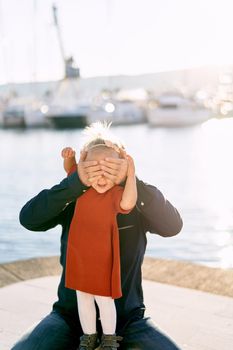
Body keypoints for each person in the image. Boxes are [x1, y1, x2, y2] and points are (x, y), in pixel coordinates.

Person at [12, 122, 183, 350]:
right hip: (69, 317)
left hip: (128, 320)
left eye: (111, 167)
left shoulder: (134, 202)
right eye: (94, 167)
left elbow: (173, 226)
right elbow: (29, 219)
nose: (102, 175)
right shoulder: (73, 201)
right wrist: (74, 184)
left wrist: (132, 181)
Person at [61, 122, 137, 349]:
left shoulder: (116, 193)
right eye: (96, 171)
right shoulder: (81, 187)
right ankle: (89, 336)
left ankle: (109, 338)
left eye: (108, 172)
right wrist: (70, 158)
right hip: (79, 252)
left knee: (104, 299)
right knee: (82, 296)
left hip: (102, 255)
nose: (101, 178)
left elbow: (129, 202)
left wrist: (131, 173)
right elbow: (71, 170)